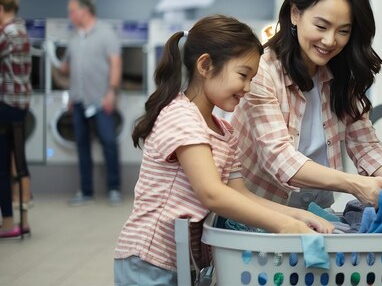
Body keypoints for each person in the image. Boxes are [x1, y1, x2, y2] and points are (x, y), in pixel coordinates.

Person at [113, 15, 333, 285]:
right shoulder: (181, 116)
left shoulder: (223, 131)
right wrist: (282, 225)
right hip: (149, 261)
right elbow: (212, 194)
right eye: (243, 75)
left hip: (183, 263)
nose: (248, 88)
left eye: (252, 78)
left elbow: (239, 193)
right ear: (205, 65)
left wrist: (298, 215)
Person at [231, 0, 382, 210]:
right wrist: (355, 184)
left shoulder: (341, 74)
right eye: (321, 26)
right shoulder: (262, 73)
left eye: (343, 31)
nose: (330, 41)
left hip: (317, 212)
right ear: (295, 14)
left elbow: (367, 148)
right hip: (259, 216)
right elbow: (280, 160)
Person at [57, 0, 123, 206]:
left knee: (109, 142)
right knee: (82, 146)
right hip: (78, 100)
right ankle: (86, 191)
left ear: (84, 11)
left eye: (72, 11)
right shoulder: (74, 37)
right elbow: (67, 68)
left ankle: (114, 188)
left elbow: (115, 63)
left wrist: (111, 92)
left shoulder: (105, 33)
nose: (70, 15)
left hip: (100, 99)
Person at [0, 0, 32, 238]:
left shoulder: (5, 33)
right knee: (19, 161)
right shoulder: (22, 30)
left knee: (2, 164)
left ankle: (8, 223)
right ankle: (25, 218)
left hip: (5, 104)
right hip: (22, 104)